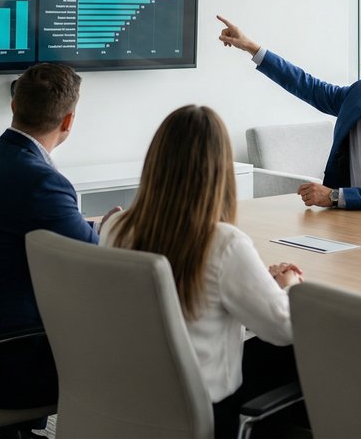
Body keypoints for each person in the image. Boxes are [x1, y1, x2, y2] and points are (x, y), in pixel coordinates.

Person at [0, 63, 116, 434]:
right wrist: (112, 228)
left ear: (14, 106)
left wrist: (87, 225)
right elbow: (96, 261)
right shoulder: (41, 181)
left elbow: (36, 228)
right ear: (69, 121)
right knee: (121, 349)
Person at [100, 105, 303, 438]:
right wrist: (289, 285)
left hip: (131, 393)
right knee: (295, 356)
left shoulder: (116, 227)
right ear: (219, 171)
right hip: (202, 409)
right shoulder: (224, 243)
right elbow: (284, 329)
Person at [217, 15, 361, 214]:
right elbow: (307, 86)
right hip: (348, 220)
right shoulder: (358, 96)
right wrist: (251, 47)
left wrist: (335, 197)